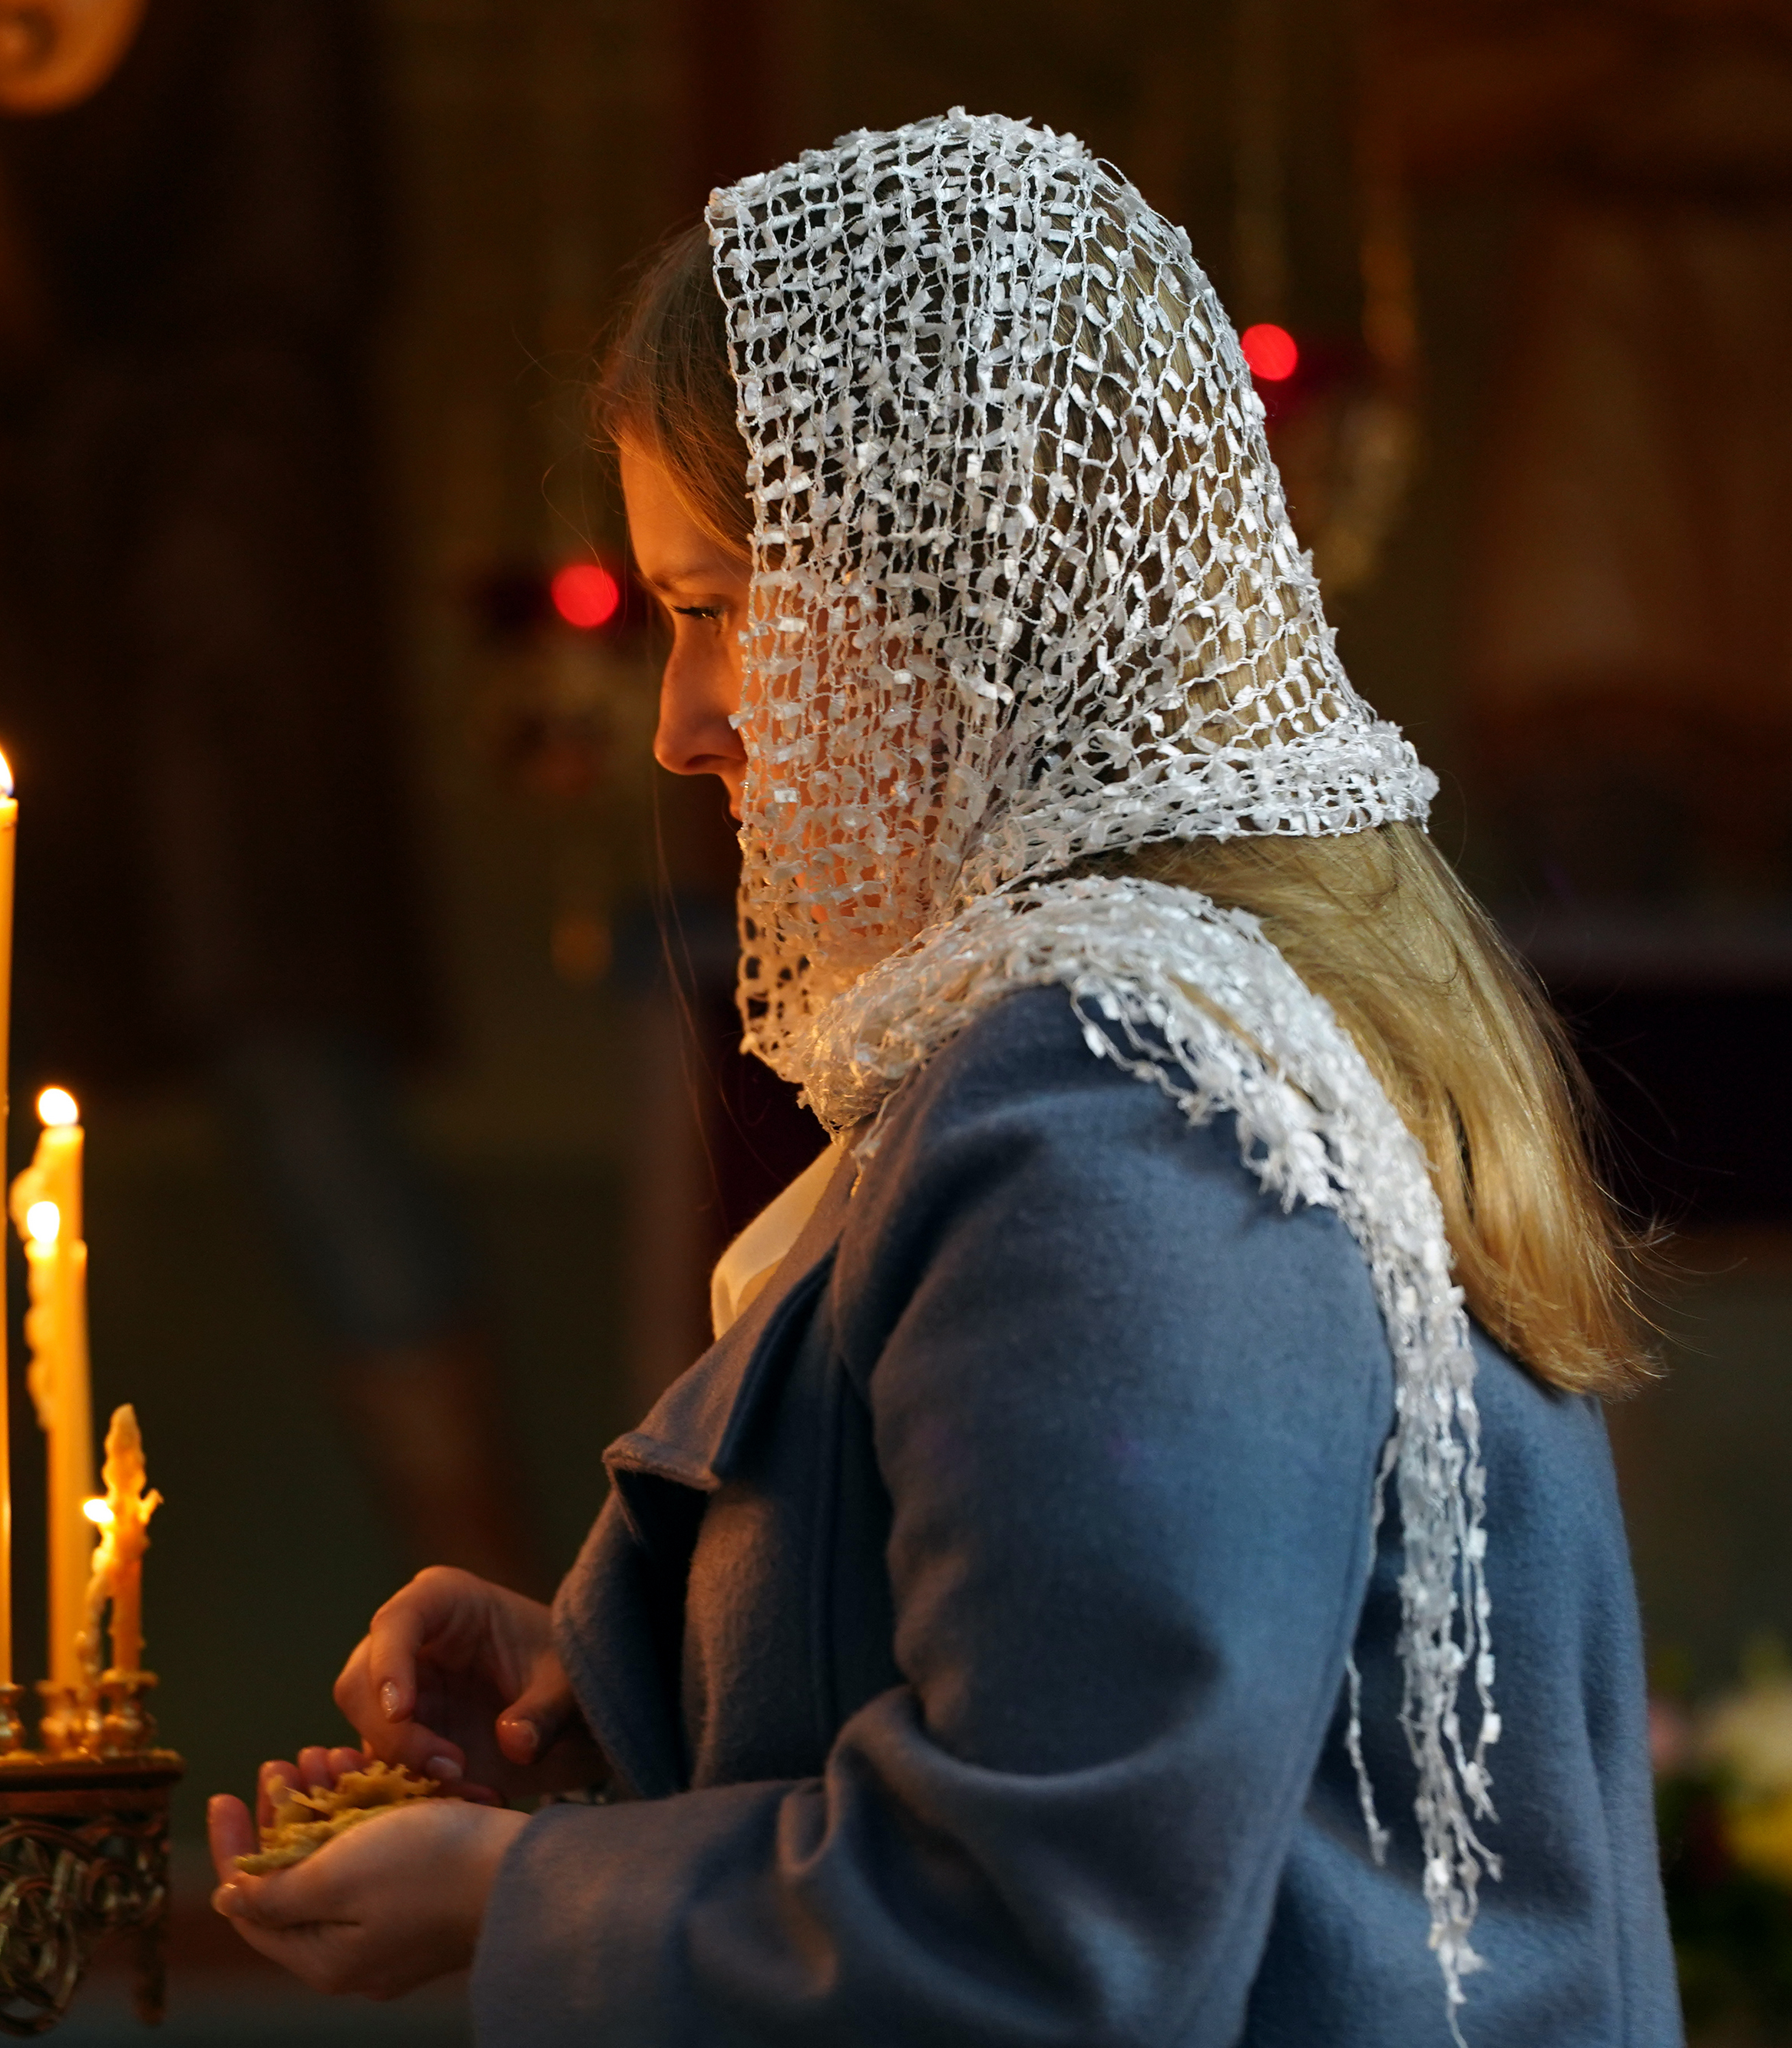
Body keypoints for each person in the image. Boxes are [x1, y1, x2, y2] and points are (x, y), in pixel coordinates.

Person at [207, 112, 1678, 2043]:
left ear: (966, 592)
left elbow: (1043, 1935)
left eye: (717, 603)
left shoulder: (1119, 1106)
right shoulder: (1176, 1029)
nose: (680, 724)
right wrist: (605, 1671)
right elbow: (1088, 1680)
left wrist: (513, 1891)